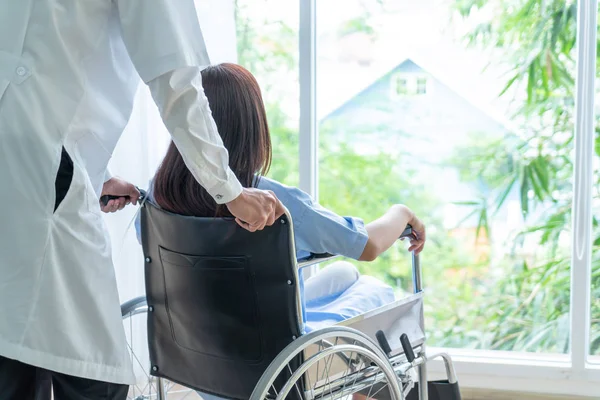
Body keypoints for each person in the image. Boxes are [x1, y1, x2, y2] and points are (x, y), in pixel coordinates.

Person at [0, 2, 284, 399]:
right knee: (94, 375)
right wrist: (230, 191)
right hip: (41, 164)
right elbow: (176, 80)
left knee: (15, 348)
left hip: (26, 154)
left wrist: (91, 171)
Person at [142, 63, 427, 336]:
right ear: (252, 127)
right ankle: (363, 386)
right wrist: (402, 212)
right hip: (270, 352)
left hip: (198, 349)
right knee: (380, 294)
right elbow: (367, 245)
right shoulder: (269, 201)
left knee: (345, 273)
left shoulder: (158, 193)